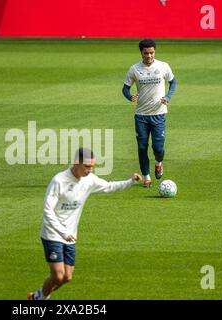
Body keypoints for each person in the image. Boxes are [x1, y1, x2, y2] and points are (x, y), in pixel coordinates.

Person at [27, 148, 142, 300]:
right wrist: (62, 232)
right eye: (87, 166)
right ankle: (39, 300)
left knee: (67, 277)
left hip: (71, 236)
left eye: (92, 166)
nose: (90, 170)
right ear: (76, 163)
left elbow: (109, 186)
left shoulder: (89, 180)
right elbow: (47, 210)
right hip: (53, 233)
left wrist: (130, 182)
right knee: (58, 275)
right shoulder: (59, 181)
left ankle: (37, 296)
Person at [122, 38, 176, 188]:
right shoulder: (134, 69)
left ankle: (158, 163)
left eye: (152, 53)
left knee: (158, 148)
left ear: (155, 52)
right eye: (146, 53)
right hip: (141, 116)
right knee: (142, 147)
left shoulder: (163, 66)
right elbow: (125, 89)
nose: (149, 56)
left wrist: (168, 96)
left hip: (159, 114)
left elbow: (173, 82)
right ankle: (146, 177)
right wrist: (130, 96)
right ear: (141, 53)